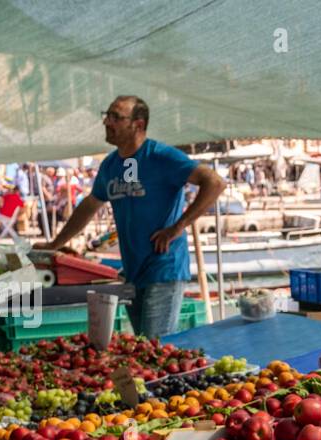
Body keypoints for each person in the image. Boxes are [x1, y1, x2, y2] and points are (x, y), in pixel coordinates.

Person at [38, 95, 224, 338]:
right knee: (142, 346)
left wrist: (177, 227)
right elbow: (91, 204)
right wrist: (56, 244)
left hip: (163, 266)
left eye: (115, 117)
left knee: (154, 347)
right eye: (107, 114)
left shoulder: (161, 156)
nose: (106, 121)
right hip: (132, 270)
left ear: (138, 124)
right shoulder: (112, 165)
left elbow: (215, 182)